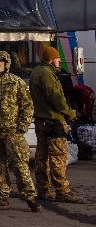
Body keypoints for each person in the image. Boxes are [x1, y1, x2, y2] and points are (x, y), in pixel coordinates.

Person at [0, 50, 41, 212]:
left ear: (7, 64)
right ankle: (2, 198)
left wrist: (22, 127)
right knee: (0, 167)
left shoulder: (16, 82)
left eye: (1, 61)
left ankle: (30, 198)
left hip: (12, 133)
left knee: (20, 166)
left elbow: (27, 106)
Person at [30, 46, 84, 203]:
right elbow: (57, 98)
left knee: (41, 158)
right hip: (54, 122)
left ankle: (43, 190)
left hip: (41, 121)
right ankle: (62, 191)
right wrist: (70, 113)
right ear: (51, 59)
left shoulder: (36, 72)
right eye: (57, 58)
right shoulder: (47, 74)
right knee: (58, 158)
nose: (60, 60)